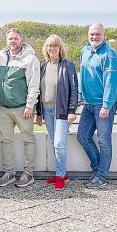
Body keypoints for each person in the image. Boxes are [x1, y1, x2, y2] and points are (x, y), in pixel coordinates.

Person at [0, 28, 41, 188]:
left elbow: (34, 85)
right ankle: (9, 173)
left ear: (22, 40)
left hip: (22, 108)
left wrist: (30, 106)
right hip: (3, 108)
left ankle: (28, 173)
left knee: (28, 139)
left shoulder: (30, 59)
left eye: (15, 38)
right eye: (10, 39)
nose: (12, 41)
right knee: (5, 140)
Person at [78, 23, 117, 189]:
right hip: (88, 104)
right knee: (82, 136)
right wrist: (81, 96)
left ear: (104, 34)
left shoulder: (110, 54)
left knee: (104, 141)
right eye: (92, 34)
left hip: (103, 105)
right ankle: (97, 168)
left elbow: (111, 82)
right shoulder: (85, 50)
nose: (94, 37)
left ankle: (101, 176)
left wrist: (107, 105)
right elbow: (82, 75)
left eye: (97, 34)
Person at [35, 35, 79, 190]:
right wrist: (38, 113)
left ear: (60, 48)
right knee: (55, 143)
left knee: (59, 143)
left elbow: (74, 89)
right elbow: (38, 92)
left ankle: (60, 175)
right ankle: (62, 173)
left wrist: (72, 110)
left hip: (62, 111)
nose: (52, 48)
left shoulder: (68, 65)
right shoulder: (42, 66)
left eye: (55, 46)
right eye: (49, 46)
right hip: (46, 110)